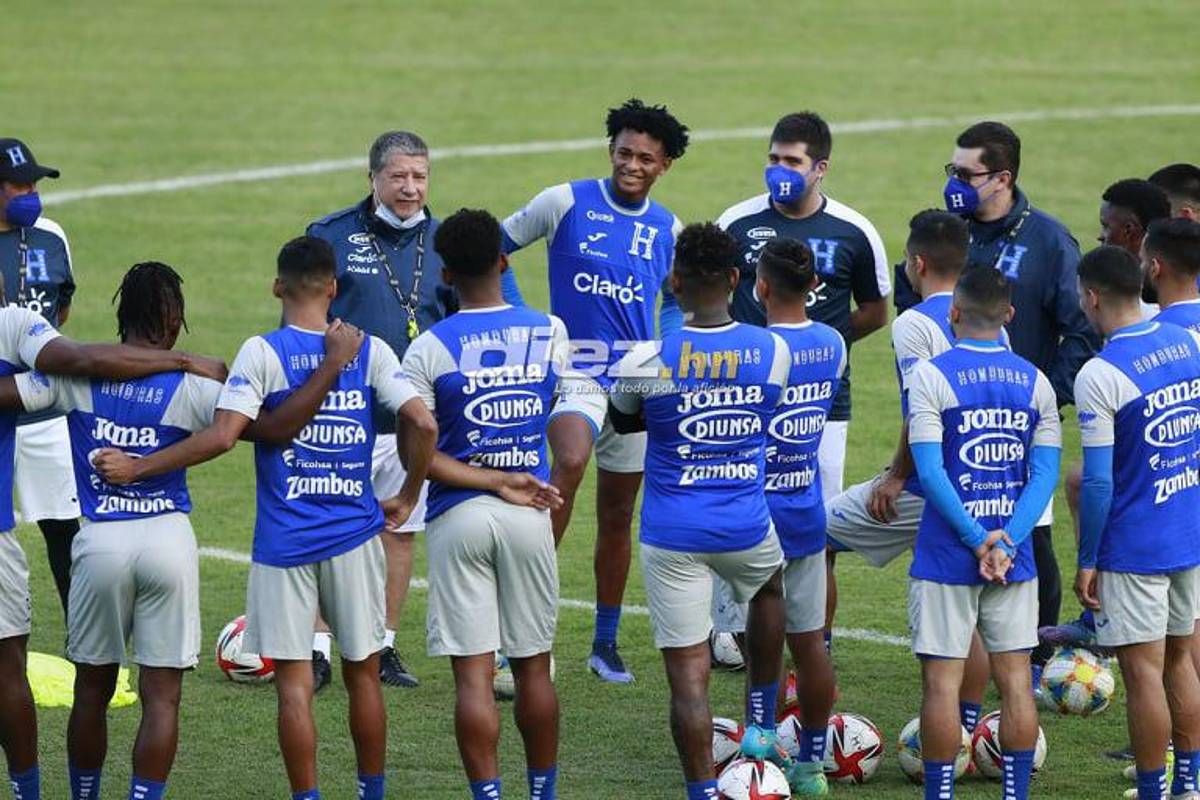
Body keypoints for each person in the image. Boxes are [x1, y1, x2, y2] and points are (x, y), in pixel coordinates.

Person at [94, 236, 438, 800]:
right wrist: (406, 492)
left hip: (283, 544)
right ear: (332, 288)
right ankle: (371, 793)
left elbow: (224, 435)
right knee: (363, 676)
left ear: (278, 286)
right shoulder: (369, 350)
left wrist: (139, 466)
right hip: (354, 536)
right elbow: (422, 424)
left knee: (295, 688)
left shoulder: (261, 352)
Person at [12, 263, 259, 800]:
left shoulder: (75, 377)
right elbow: (252, 427)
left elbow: (12, 394)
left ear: (123, 316)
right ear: (174, 321)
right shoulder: (196, 384)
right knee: (162, 696)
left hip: (99, 544)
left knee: (91, 691)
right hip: (168, 538)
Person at [402, 209, 604, 800]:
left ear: (445, 274)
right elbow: (569, 420)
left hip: (458, 517)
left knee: (472, 677)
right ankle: (542, 793)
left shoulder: (429, 348)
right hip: (530, 514)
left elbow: (419, 455)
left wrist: (486, 481)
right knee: (534, 668)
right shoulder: (551, 330)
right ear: (504, 261)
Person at [895, 120, 1097, 683]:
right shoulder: (946, 233)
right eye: (951, 171)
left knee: (1032, 537)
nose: (954, 183)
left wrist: (1042, 398)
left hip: (1018, 420)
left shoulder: (1049, 243)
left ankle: (1032, 660)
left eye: (966, 173)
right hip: (948, 417)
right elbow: (910, 301)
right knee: (952, 529)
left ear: (1002, 178)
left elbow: (1079, 330)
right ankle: (969, 663)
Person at [501, 98, 689, 683]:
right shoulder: (564, 201)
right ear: (611, 150)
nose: (632, 164)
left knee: (618, 514)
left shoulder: (669, 229)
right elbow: (494, 249)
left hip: (637, 378)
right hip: (575, 369)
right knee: (567, 471)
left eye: (646, 158)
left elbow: (678, 300)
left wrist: (668, 347)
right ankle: (521, 631)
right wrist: (523, 318)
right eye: (625, 152)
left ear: (664, 166)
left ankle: (604, 644)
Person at [608, 223, 788, 800]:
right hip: (745, 522)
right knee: (767, 591)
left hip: (671, 531)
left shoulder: (646, 359)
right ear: (737, 279)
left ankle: (701, 793)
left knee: (688, 677)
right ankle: (761, 726)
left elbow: (626, 421)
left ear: (675, 282)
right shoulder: (772, 350)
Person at [712, 112, 889, 662]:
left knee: (820, 529)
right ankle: (735, 634)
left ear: (820, 169)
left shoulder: (854, 231)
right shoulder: (736, 223)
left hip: (823, 408)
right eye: (773, 159)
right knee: (739, 515)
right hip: (742, 402)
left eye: (791, 162)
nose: (779, 171)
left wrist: (822, 352)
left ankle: (818, 640)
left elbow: (876, 310)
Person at [306, 130, 476, 689]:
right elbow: (308, 319)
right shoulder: (330, 236)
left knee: (400, 532)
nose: (411, 188)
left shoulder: (447, 242)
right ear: (372, 177)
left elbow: (460, 323)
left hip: (415, 419)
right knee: (332, 528)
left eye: (420, 177)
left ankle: (382, 646)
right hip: (345, 412)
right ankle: (318, 646)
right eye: (399, 176)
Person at [824, 210, 993, 730]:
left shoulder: (915, 322)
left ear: (917, 263)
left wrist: (895, 475)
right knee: (967, 616)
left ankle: (813, 660)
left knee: (814, 532)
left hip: (924, 486)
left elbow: (922, 410)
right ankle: (967, 728)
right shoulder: (987, 320)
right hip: (981, 486)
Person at [906, 267, 1061, 800]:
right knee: (1017, 679)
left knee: (941, 685)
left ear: (953, 314)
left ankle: (941, 795)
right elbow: (1044, 475)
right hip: (1013, 558)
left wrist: (977, 540)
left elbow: (929, 472)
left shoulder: (930, 377)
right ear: (1009, 316)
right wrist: (1010, 542)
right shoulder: (1037, 381)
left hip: (948, 553)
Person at [1073, 245, 1200, 800]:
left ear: (1093, 297)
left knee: (1143, 673)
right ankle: (1190, 784)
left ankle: (1153, 790)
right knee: (1180, 661)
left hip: (1135, 544)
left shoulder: (1099, 373)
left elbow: (1097, 483)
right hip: (1188, 529)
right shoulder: (1187, 340)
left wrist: (1087, 558)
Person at [755, 237, 845, 796]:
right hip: (806, 509)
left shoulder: (756, 347)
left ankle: (760, 739)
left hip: (754, 512)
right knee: (810, 642)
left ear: (761, 286)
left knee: (757, 628)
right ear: (813, 286)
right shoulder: (833, 342)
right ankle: (811, 767)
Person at [0, 137, 82, 618]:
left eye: (35, 182)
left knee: (64, 528)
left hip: (45, 412)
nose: (31, 192)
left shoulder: (52, 234)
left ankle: (84, 637)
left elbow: (60, 309)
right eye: (19, 185)